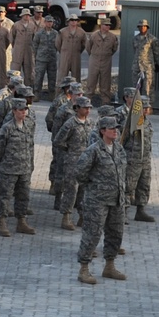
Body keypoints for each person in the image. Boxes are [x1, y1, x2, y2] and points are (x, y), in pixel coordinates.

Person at [74, 115, 129, 285]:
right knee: (92, 234)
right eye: (112, 128)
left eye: (116, 128)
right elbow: (80, 172)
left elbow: (123, 171)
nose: (115, 131)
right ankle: (84, 269)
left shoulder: (119, 149)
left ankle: (109, 266)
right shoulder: (94, 150)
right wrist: (93, 187)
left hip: (117, 199)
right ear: (103, 131)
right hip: (97, 201)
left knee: (115, 233)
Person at [0, 98, 35, 237]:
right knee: (4, 197)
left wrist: (30, 164)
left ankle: (21, 222)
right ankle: (2, 222)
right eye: (21, 110)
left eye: (25, 110)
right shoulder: (7, 128)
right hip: (9, 169)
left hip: (24, 169)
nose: (24, 112)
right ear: (14, 111)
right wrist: (3, 164)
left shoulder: (28, 126)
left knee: (23, 197)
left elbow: (30, 147)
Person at [55, 96, 94, 231]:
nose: (88, 110)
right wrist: (69, 151)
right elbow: (59, 141)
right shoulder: (70, 124)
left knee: (84, 190)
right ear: (77, 109)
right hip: (73, 161)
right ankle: (66, 217)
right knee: (71, 189)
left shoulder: (90, 123)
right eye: (85, 108)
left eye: (89, 108)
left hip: (86, 162)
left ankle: (82, 216)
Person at [123, 95, 155, 222]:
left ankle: (141, 210)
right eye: (144, 107)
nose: (146, 110)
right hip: (133, 159)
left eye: (148, 107)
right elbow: (122, 140)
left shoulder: (147, 121)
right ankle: (123, 212)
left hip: (145, 159)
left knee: (144, 185)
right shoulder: (130, 122)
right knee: (128, 187)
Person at [85, 18, 118, 105]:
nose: (108, 26)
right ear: (101, 26)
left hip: (106, 61)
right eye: (106, 25)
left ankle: (105, 103)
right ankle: (87, 102)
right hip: (94, 59)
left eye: (109, 25)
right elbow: (88, 47)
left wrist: (106, 55)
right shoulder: (94, 35)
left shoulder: (113, 37)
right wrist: (94, 54)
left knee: (105, 83)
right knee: (91, 81)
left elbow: (114, 49)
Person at [132, 19, 159, 100]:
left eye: (144, 26)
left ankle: (148, 108)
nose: (142, 28)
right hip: (137, 67)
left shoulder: (152, 39)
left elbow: (157, 53)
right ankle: (137, 108)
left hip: (148, 67)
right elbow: (135, 51)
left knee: (148, 89)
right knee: (136, 89)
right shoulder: (135, 38)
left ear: (147, 27)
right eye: (140, 26)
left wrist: (152, 64)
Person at [32, 15, 58, 99]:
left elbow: (58, 45)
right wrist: (37, 55)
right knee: (39, 77)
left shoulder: (56, 33)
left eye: (51, 22)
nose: (49, 23)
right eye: (48, 22)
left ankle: (51, 94)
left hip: (52, 58)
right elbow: (35, 45)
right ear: (45, 22)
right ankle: (36, 93)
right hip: (41, 59)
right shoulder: (39, 33)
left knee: (52, 77)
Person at [55, 15, 87, 82]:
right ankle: (60, 91)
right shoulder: (62, 31)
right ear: (68, 21)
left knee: (76, 76)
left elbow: (84, 44)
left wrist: (78, 51)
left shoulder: (82, 32)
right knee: (62, 75)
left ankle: (76, 91)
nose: (74, 22)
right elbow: (57, 44)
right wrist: (63, 51)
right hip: (65, 55)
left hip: (76, 56)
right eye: (72, 20)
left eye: (75, 20)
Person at [10, 8, 36, 85]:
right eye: (25, 15)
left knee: (28, 69)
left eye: (28, 15)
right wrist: (15, 46)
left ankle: (27, 89)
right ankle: (15, 89)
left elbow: (35, 37)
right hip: (18, 50)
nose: (27, 17)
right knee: (15, 70)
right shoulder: (16, 25)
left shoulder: (32, 25)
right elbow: (12, 37)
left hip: (28, 50)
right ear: (22, 16)